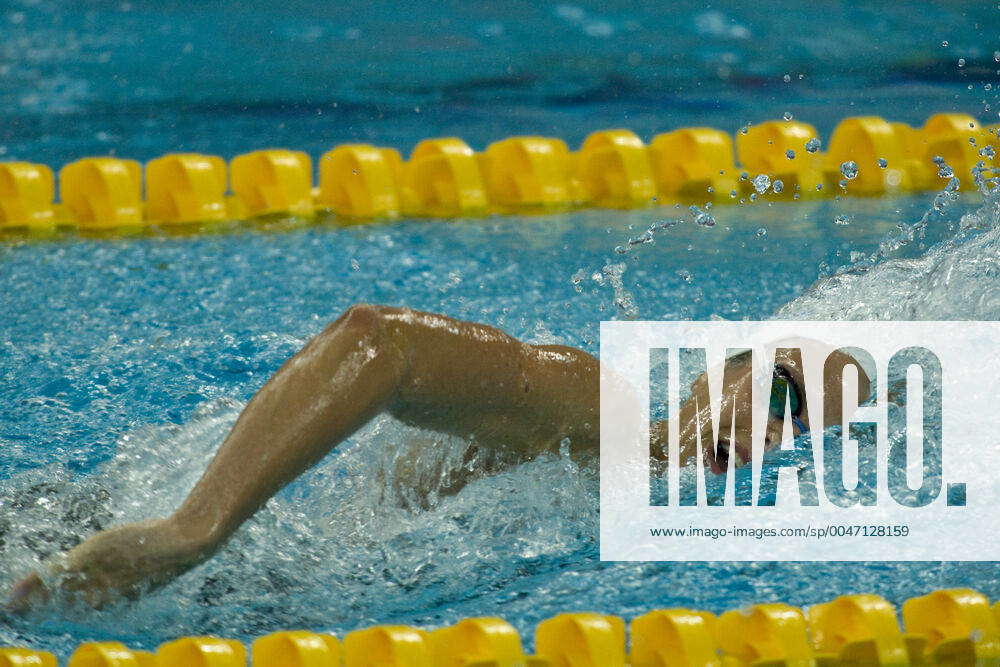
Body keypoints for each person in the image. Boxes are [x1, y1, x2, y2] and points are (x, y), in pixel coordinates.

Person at [6, 305, 866, 611]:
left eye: (810, 435)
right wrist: (195, 527)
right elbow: (380, 342)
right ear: (720, 374)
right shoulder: (598, 411)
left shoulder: (643, 508)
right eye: (784, 394)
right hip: (139, 546)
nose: (780, 436)